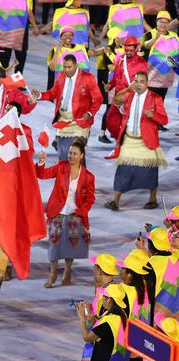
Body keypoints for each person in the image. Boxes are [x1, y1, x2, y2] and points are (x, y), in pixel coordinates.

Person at [104, 72, 168, 211]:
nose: (138, 85)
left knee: (150, 170)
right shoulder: (129, 96)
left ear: (147, 83)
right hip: (129, 139)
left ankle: (152, 198)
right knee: (123, 169)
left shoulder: (155, 98)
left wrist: (153, 115)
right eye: (136, 81)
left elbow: (164, 120)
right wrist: (128, 89)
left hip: (146, 140)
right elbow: (116, 101)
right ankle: (115, 200)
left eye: (142, 82)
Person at [36, 139, 95, 288]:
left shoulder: (88, 176)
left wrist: (80, 212)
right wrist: (41, 163)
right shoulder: (61, 166)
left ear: (82, 156)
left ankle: (67, 271)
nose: (71, 156)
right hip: (58, 212)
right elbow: (42, 175)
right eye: (70, 153)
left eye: (75, 154)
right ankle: (53, 273)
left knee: (70, 246)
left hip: (75, 215)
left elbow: (90, 198)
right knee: (53, 245)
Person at [31, 54, 103, 163]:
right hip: (63, 122)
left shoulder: (88, 78)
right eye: (65, 67)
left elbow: (98, 98)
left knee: (76, 157)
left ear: (76, 65)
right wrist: (40, 95)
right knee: (64, 158)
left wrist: (90, 113)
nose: (67, 70)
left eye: (70, 67)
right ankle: (65, 179)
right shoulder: (60, 76)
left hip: (80, 123)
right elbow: (53, 93)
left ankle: (81, 179)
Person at [75, 284, 128, 361]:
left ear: (109, 300)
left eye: (103, 296)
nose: (102, 299)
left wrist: (82, 319)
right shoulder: (120, 315)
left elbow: (87, 337)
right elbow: (101, 331)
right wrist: (91, 318)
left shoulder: (109, 323)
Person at [103, 35, 148, 140]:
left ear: (136, 49)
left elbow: (144, 85)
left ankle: (124, 144)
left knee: (129, 125)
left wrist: (134, 89)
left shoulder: (142, 64)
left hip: (131, 100)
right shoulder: (120, 60)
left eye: (130, 51)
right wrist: (109, 85)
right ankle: (121, 140)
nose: (128, 52)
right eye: (126, 50)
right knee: (110, 122)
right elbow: (116, 77)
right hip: (118, 98)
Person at [0, 0, 38, 74]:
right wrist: (35, 27)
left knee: (4, 59)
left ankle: (3, 80)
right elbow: (29, 12)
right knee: (20, 58)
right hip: (19, 31)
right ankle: (17, 79)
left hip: (5, 32)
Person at [141, 11, 178, 131]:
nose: (163, 24)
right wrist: (155, 38)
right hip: (152, 75)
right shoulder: (150, 34)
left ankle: (157, 121)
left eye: (166, 22)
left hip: (166, 76)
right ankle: (148, 123)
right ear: (156, 22)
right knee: (151, 100)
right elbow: (145, 46)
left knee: (161, 100)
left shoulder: (174, 35)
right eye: (160, 21)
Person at [95, 27, 126, 144]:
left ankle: (116, 131)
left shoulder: (124, 48)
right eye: (120, 36)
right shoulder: (108, 50)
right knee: (110, 108)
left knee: (121, 108)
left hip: (123, 82)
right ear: (115, 38)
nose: (123, 38)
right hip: (112, 82)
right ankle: (102, 133)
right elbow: (111, 68)